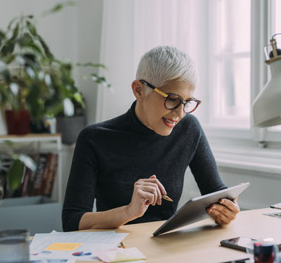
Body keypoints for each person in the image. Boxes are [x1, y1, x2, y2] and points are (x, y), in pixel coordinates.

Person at [62, 46, 240, 231]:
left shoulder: (188, 128)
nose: (180, 114)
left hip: (167, 247)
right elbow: (72, 221)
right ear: (139, 90)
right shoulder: (94, 139)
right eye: (172, 99)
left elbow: (215, 192)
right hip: (115, 250)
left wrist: (226, 209)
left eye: (187, 102)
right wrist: (128, 212)